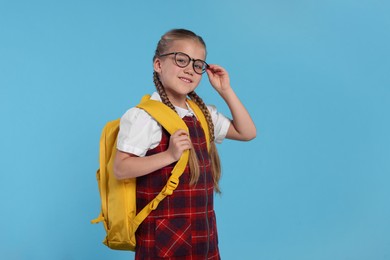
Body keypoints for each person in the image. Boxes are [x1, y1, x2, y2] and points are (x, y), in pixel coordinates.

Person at [113, 28, 256, 260]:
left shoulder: (202, 114)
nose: (190, 68)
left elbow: (247, 132)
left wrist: (225, 90)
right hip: (164, 239)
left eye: (198, 64)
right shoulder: (144, 116)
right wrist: (169, 155)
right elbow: (120, 168)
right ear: (158, 64)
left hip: (203, 233)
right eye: (181, 60)